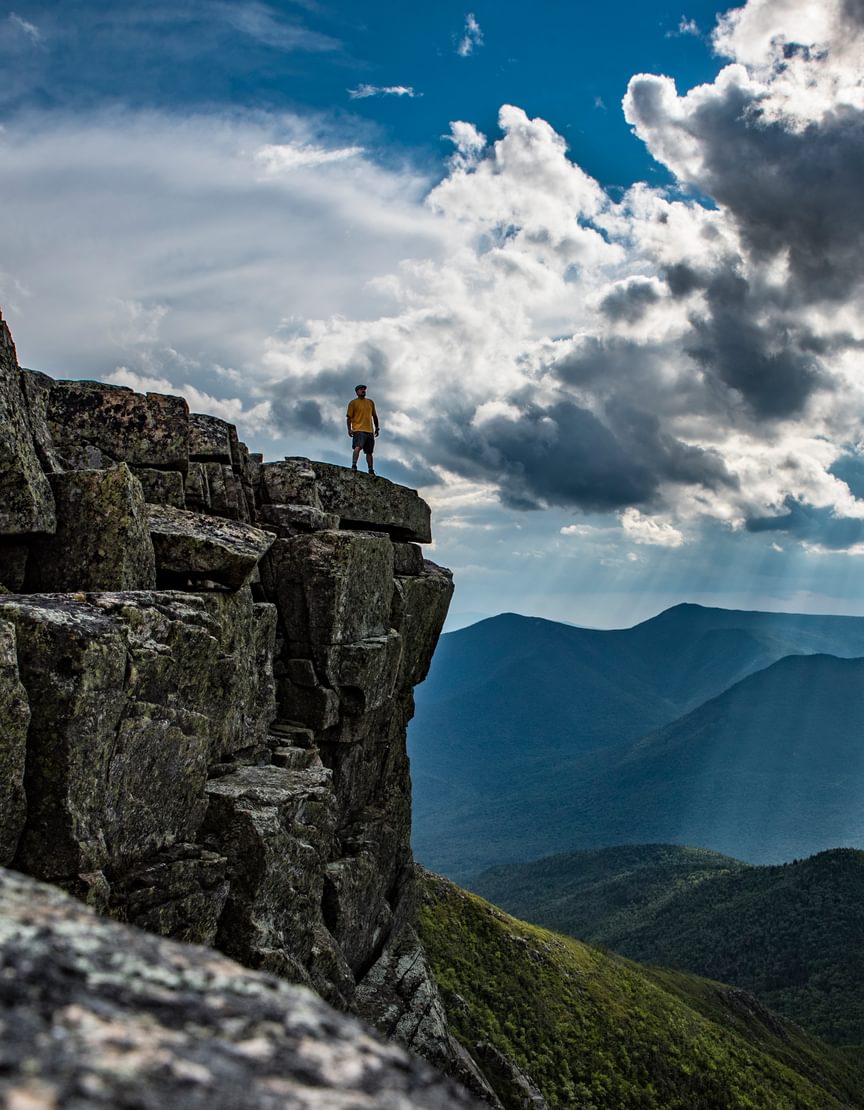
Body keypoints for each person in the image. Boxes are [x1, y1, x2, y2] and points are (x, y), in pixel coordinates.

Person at [346, 383, 380, 474]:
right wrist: (349, 429)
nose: (363, 390)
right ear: (357, 392)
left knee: (369, 452)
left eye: (364, 389)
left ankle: (371, 469)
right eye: (361, 389)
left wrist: (377, 428)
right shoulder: (353, 403)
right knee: (358, 447)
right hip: (358, 429)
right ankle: (354, 465)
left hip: (369, 430)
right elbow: (349, 418)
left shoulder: (370, 402)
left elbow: (374, 416)